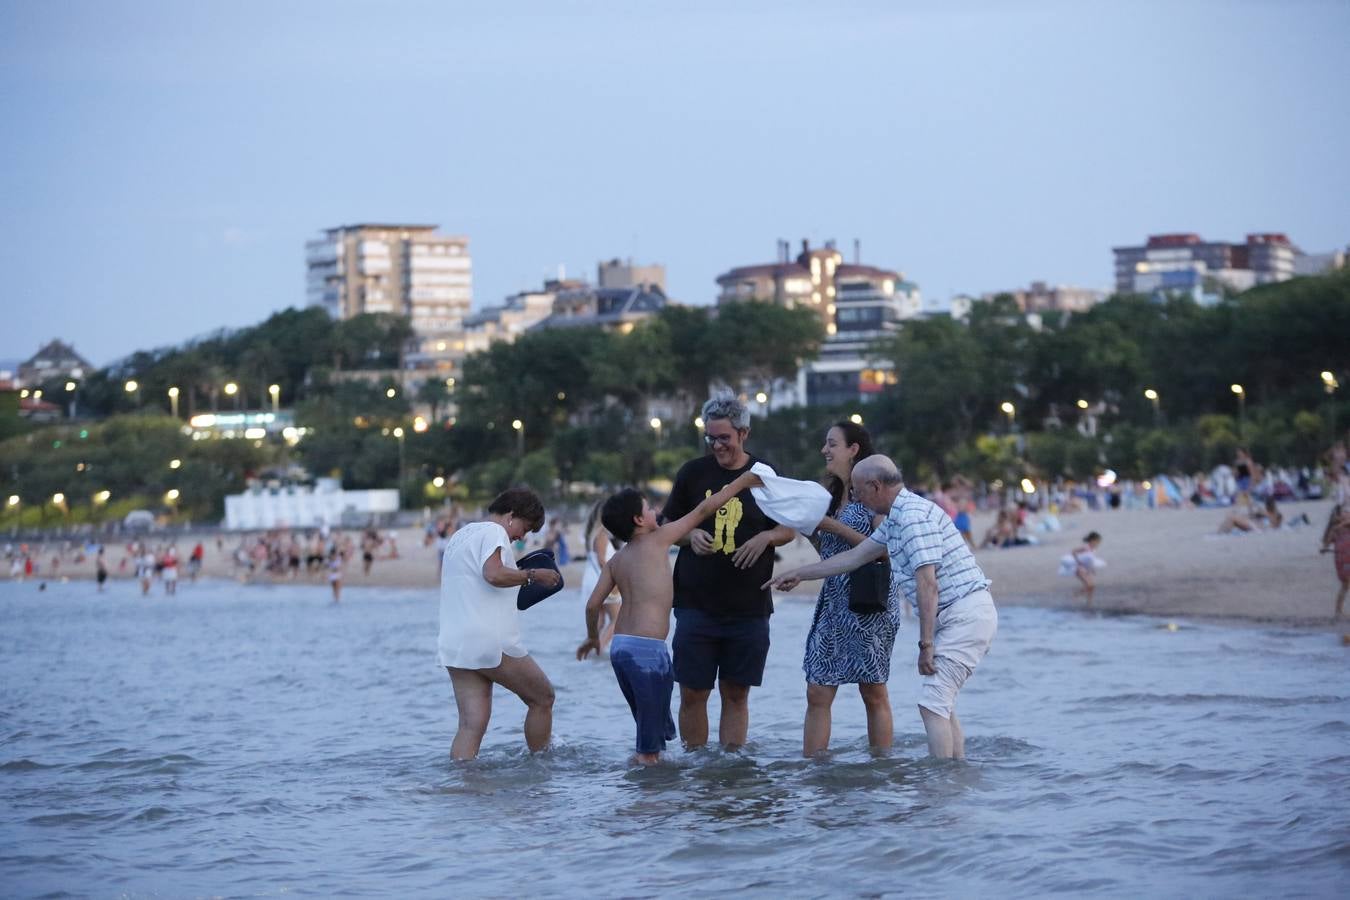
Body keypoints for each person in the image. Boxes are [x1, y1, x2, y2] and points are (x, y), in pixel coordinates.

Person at [766, 455, 997, 760]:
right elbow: (854, 557)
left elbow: (928, 584)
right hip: (958, 615)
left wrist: (926, 644)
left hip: (966, 614)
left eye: (859, 491)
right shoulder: (898, 515)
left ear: (875, 486)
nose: (856, 498)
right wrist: (798, 574)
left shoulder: (913, 517)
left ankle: (939, 786)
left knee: (932, 704)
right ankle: (954, 774)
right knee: (942, 703)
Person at [576, 470, 762, 765]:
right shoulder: (659, 539)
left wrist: (591, 637)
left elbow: (591, 606)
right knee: (649, 746)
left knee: (649, 727)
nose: (656, 511)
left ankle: (649, 783)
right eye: (649, 508)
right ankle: (652, 801)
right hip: (647, 652)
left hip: (622, 650)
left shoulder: (616, 560)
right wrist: (741, 483)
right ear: (639, 520)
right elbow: (704, 509)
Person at [661, 395, 798, 751]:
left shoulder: (765, 475)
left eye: (724, 438)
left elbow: (789, 528)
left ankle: (731, 769)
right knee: (692, 692)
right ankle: (696, 764)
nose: (717, 445)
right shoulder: (693, 473)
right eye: (711, 438)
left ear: (744, 434)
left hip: (749, 607)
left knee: (736, 694)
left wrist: (767, 536)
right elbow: (666, 522)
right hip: (695, 604)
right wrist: (689, 536)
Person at [800, 422, 901, 756]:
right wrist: (812, 530)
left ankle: (881, 766)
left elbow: (883, 548)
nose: (824, 450)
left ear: (853, 449)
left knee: (872, 690)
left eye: (832, 444)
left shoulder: (874, 491)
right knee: (817, 690)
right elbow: (828, 552)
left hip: (868, 602)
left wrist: (832, 526)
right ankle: (813, 770)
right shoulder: (828, 497)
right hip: (831, 603)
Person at [438, 487, 562, 761]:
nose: (521, 536)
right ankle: (541, 769)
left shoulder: (460, 535)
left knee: (471, 725)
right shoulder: (494, 533)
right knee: (543, 698)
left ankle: (462, 788)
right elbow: (492, 575)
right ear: (511, 515)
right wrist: (533, 574)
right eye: (525, 528)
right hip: (489, 641)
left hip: (455, 643)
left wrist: (518, 576)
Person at [578, 499, 623, 652]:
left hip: (590, 578)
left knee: (600, 621)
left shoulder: (591, 534)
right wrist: (614, 579)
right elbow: (602, 560)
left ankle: (588, 652)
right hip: (601, 579)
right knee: (617, 619)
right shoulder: (602, 534)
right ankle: (600, 650)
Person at [1059, 531, 1104, 606]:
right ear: (1092, 540)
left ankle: (1088, 602)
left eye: (1098, 542)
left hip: (1086, 569)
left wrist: (1092, 569)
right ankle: (1075, 596)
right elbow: (1073, 551)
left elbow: (1090, 560)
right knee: (1089, 585)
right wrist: (1078, 562)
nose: (1098, 543)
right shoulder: (1086, 547)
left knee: (1092, 586)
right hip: (1079, 569)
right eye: (1097, 541)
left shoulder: (1092, 549)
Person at [1321, 504, 1350, 619]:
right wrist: (1324, 548)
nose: (1347, 514)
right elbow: (1327, 542)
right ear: (1338, 515)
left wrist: (1341, 524)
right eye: (1345, 512)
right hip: (1343, 560)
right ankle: (1338, 611)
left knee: (1346, 585)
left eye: (1348, 512)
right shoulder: (1335, 529)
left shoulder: (1344, 526)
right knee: (1346, 584)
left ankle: (1338, 611)